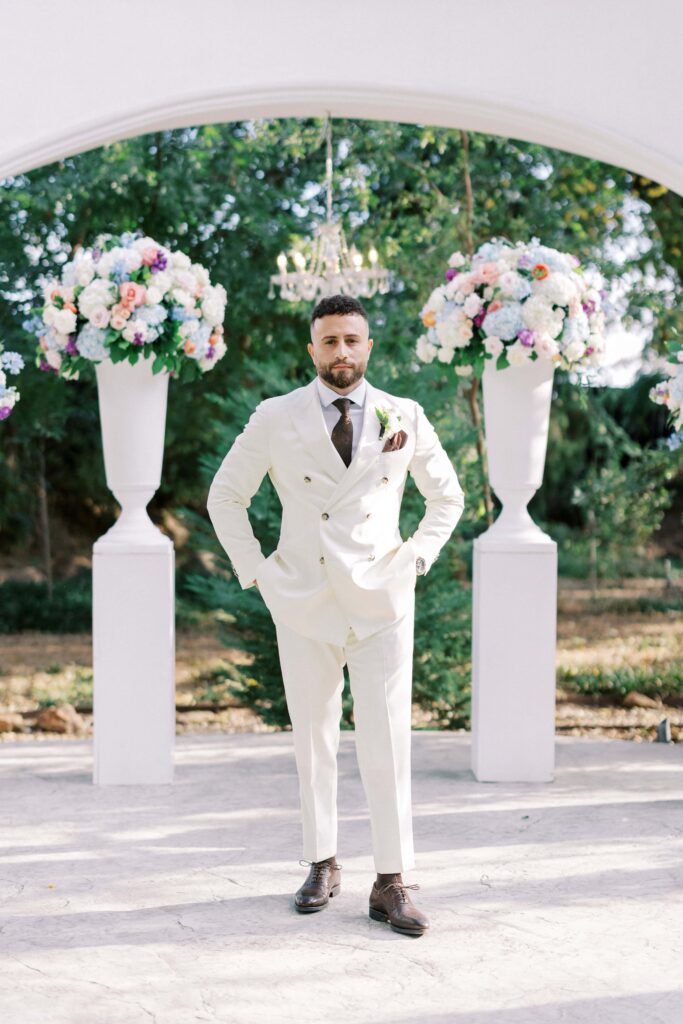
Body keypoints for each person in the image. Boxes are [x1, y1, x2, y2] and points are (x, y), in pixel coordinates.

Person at [207, 294, 465, 937]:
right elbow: (225, 496)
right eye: (329, 341)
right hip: (304, 599)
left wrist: (417, 559)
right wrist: (258, 571)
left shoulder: (402, 414)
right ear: (312, 348)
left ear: (368, 346)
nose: (341, 352)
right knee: (313, 740)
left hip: (381, 597)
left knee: (388, 742)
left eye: (352, 340)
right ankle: (322, 861)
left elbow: (447, 497)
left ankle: (393, 880)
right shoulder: (276, 416)